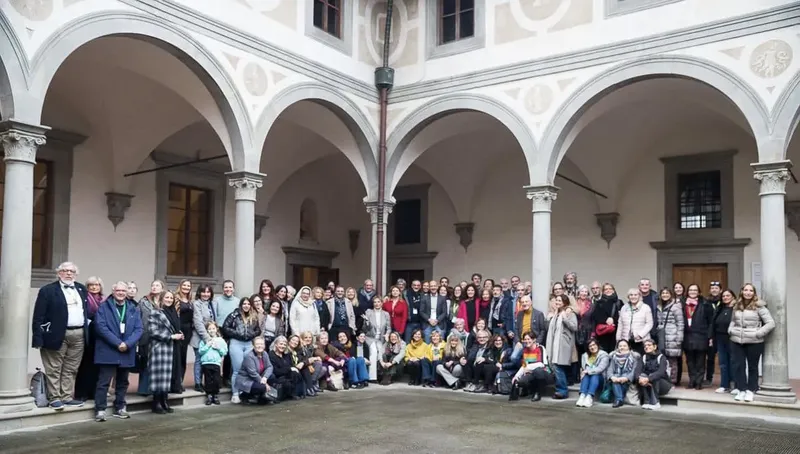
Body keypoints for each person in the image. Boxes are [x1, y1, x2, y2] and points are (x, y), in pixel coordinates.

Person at [31, 261, 91, 410]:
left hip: (78, 334)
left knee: (71, 368)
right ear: (58, 273)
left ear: (75, 274)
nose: (68, 273)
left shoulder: (81, 289)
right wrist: (38, 337)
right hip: (56, 334)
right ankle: (54, 398)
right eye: (65, 271)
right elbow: (38, 316)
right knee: (54, 368)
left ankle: (66, 396)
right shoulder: (47, 290)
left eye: (71, 271)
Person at [93, 281, 143, 422]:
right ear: (113, 291)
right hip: (108, 349)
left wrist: (127, 344)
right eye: (118, 290)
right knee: (104, 382)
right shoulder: (104, 307)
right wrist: (117, 343)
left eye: (123, 291)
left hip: (126, 350)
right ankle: (100, 409)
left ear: (127, 292)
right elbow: (101, 327)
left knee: (122, 382)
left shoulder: (133, 308)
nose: (121, 293)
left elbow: (139, 329)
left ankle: (120, 407)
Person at [729, 283, 775, 403]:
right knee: (739, 366)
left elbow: (770, 323)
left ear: (754, 293)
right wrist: (731, 330)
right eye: (745, 290)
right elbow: (733, 320)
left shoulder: (760, 307)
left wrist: (758, 333)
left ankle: (751, 389)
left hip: (754, 341)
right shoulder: (736, 305)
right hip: (737, 340)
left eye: (750, 290)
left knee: (752, 367)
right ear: (742, 291)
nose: (748, 292)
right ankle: (741, 389)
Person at [147, 289, 183, 414]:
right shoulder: (155, 312)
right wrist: (171, 337)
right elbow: (153, 331)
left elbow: (175, 328)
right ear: (161, 298)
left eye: (171, 298)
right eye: (167, 298)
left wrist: (179, 334)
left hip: (171, 348)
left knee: (167, 377)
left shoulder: (173, 312)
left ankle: (164, 401)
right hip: (159, 348)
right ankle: (156, 403)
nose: (169, 300)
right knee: (159, 377)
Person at [222, 297, 262, 403]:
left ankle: (244, 392)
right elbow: (225, 327)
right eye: (244, 304)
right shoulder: (234, 315)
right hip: (236, 343)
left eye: (248, 304)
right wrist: (237, 334)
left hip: (249, 344)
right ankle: (235, 393)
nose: (246, 306)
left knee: (248, 369)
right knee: (237, 369)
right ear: (240, 305)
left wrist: (251, 334)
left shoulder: (254, 316)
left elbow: (258, 329)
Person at [545, 295, 577, 399]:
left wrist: (565, 319)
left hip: (563, 345)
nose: (557, 302)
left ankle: (562, 390)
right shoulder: (555, 314)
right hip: (554, 345)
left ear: (565, 302)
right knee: (557, 366)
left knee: (558, 367)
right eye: (556, 300)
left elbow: (574, 327)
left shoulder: (569, 313)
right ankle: (561, 389)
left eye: (559, 300)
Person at [683, 284, 713, 390]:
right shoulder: (683, 304)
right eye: (690, 290)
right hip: (687, 336)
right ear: (687, 292)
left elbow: (710, 322)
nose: (693, 292)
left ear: (699, 292)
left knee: (700, 361)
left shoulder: (705, 303)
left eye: (695, 290)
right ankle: (692, 381)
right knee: (690, 361)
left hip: (701, 336)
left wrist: (710, 336)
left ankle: (699, 382)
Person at [190, 285, 218, 392]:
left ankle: (209, 383)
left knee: (209, 361)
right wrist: (207, 338)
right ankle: (198, 383)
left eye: (208, 292)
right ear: (199, 293)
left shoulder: (213, 303)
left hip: (212, 336)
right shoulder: (197, 304)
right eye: (203, 292)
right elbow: (198, 322)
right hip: (199, 337)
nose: (206, 294)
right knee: (199, 360)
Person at [509, 331, 551, 402]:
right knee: (521, 381)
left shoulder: (540, 348)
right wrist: (516, 376)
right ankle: (528, 390)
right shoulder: (525, 350)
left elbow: (542, 364)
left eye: (529, 339)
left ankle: (537, 393)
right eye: (525, 339)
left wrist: (529, 367)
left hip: (545, 372)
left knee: (537, 371)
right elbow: (524, 366)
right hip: (531, 372)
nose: (527, 341)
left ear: (534, 340)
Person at [236, 337, 276, 404]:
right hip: (247, 379)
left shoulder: (265, 354)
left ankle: (262, 398)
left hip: (259, 376)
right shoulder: (249, 356)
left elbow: (269, 366)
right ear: (253, 345)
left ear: (264, 345)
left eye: (261, 344)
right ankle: (244, 395)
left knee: (272, 376)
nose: (260, 346)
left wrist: (265, 377)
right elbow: (252, 373)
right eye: (257, 344)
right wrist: (265, 384)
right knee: (262, 387)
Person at [214, 280, 239, 386]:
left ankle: (226, 377)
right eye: (226, 287)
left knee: (229, 355)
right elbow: (214, 315)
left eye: (230, 287)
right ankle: (215, 378)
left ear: (233, 289)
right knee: (217, 354)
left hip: (232, 330)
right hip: (219, 329)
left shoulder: (237, 301)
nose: (228, 289)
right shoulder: (217, 300)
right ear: (223, 289)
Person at [198, 321, 227, 406]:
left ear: (216, 329)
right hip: (206, 363)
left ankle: (215, 395)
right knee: (208, 380)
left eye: (213, 328)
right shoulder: (204, 341)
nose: (211, 330)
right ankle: (209, 395)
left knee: (216, 379)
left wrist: (218, 348)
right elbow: (200, 351)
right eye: (209, 329)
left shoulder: (220, 340)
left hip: (216, 363)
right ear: (207, 330)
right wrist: (208, 345)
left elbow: (224, 352)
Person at [363, 295, 391, 381]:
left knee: (381, 352)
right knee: (374, 351)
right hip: (370, 338)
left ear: (382, 303)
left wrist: (387, 334)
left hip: (381, 339)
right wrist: (367, 322)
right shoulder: (369, 312)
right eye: (375, 302)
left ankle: (382, 375)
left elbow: (389, 328)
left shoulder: (386, 314)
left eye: (378, 302)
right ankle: (372, 377)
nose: (377, 304)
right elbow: (365, 329)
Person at [638, 339, 671, 410]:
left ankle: (655, 402)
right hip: (648, 383)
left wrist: (649, 379)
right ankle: (647, 402)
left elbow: (661, 372)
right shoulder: (643, 357)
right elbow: (637, 371)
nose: (646, 347)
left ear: (655, 347)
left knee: (655, 377)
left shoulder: (661, 357)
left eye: (649, 345)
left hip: (663, 385)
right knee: (642, 376)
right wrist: (640, 379)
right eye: (645, 346)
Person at [605, 339, 639, 409]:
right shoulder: (614, 357)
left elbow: (634, 371)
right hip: (616, 378)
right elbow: (609, 370)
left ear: (628, 347)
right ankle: (619, 399)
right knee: (615, 381)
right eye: (620, 346)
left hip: (628, 380)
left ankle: (618, 399)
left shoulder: (634, 357)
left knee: (621, 381)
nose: (622, 347)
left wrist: (626, 378)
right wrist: (612, 377)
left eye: (624, 346)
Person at [576, 339, 609, 408]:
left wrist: (587, 371)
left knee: (594, 375)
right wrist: (585, 372)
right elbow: (583, 368)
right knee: (586, 375)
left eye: (594, 345)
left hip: (600, 379)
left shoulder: (604, 355)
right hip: (588, 379)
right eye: (590, 346)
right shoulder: (585, 356)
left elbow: (600, 369)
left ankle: (589, 397)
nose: (592, 347)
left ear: (597, 345)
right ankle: (582, 396)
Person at [268, 336, 303, 400]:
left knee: (296, 373)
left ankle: (294, 394)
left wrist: (291, 369)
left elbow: (290, 366)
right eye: (281, 344)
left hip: (287, 375)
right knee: (286, 380)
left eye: (284, 345)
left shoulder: (286, 355)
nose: (282, 346)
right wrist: (289, 369)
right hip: (276, 377)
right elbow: (275, 371)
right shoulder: (271, 355)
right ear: (276, 344)